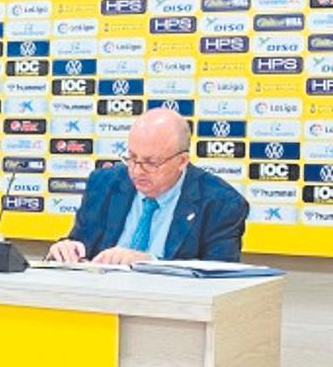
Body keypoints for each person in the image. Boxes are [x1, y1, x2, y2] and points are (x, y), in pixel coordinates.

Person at [47, 108, 248, 264]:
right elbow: (81, 243)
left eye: (151, 163)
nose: (136, 171)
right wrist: (67, 248)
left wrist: (150, 264)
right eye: (132, 158)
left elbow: (218, 276)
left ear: (182, 161)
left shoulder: (221, 204)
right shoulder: (103, 185)